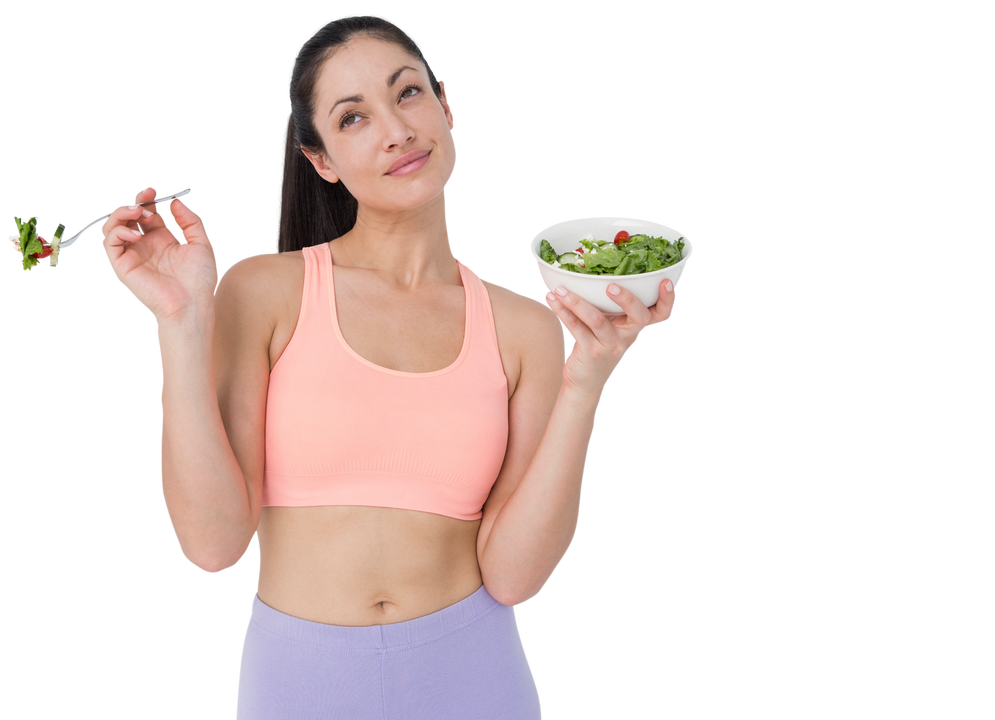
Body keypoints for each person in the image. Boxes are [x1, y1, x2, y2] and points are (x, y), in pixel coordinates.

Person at [99, 12, 677, 719]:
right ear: (321, 161)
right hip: (297, 685)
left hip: (478, 679)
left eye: (407, 95)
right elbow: (212, 545)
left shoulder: (527, 326)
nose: (396, 130)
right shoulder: (262, 291)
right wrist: (181, 323)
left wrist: (588, 379)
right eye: (352, 118)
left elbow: (515, 575)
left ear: (446, 105)